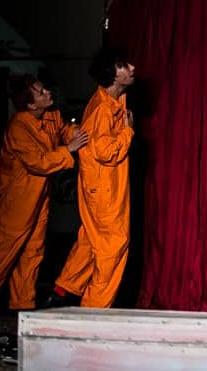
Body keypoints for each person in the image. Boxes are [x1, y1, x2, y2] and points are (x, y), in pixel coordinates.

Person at [0, 76, 89, 312]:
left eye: (44, 89)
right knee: (1, 250)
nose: (47, 93)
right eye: (41, 93)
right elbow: (38, 163)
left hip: (38, 194)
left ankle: (23, 301)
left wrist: (79, 133)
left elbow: (65, 131)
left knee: (33, 249)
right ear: (31, 105)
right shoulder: (19, 127)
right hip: (15, 198)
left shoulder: (51, 115)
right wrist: (69, 150)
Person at [48, 48, 135, 308]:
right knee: (113, 246)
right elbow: (106, 152)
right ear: (112, 75)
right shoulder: (102, 110)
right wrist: (128, 132)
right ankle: (93, 310)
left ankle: (64, 288)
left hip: (100, 186)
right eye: (123, 65)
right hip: (104, 190)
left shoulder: (113, 102)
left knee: (91, 238)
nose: (131, 68)